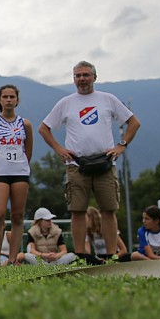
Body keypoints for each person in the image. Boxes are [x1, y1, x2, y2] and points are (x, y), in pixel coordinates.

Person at [38, 62, 140, 257]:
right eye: (77, 76)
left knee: (108, 210)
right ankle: (81, 256)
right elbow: (44, 128)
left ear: (94, 77)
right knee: (77, 211)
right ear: (73, 79)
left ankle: (111, 255)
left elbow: (134, 122)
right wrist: (59, 149)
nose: (82, 79)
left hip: (105, 163)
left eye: (85, 75)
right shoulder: (66, 102)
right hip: (77, 165)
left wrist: (121, 146)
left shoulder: (107, 99)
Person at [0, 85, 32, 267]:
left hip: (20, 173)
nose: (9, 100)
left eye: (12, 97)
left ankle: (12, 259)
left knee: (17, 215)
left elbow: (28, 151)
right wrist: (1, 161)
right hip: (0, 173)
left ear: (17, 100)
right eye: (5, 97)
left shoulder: (25, 124)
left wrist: (19, 164)